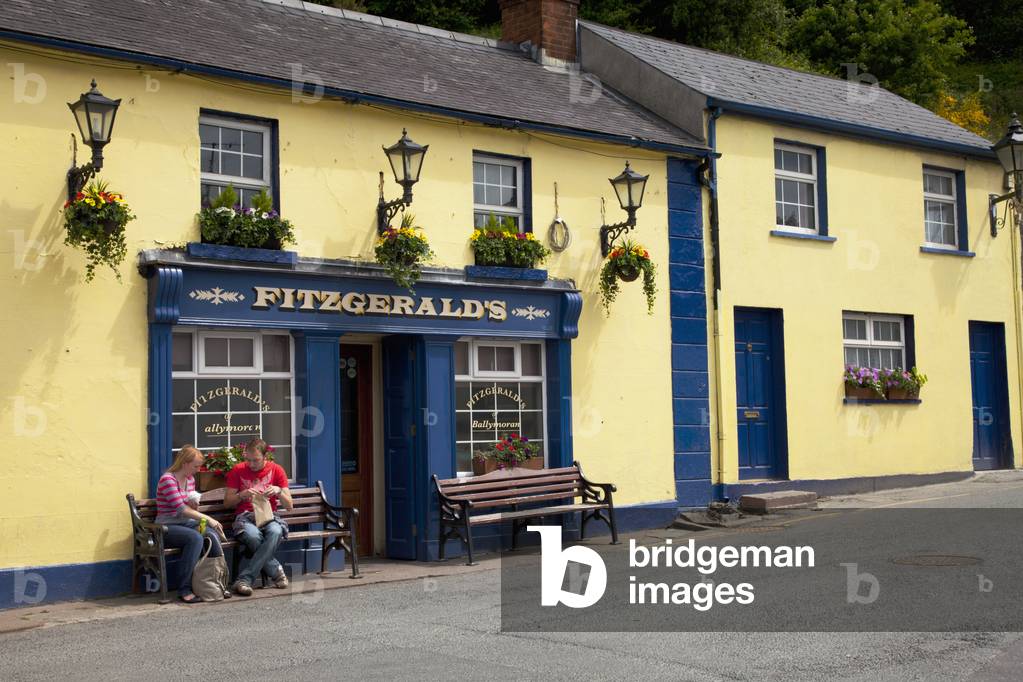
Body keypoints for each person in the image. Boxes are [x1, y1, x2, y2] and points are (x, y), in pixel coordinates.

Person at [155, 445, 227, 603]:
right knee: (194, 538)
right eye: (195, 466)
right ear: (184, 463)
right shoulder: (168, 479)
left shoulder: (190, 480)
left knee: (211, 535)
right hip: (166, 527)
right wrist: (208, 518)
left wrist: (194, 505)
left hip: (186, 523)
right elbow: (180, 509)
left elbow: (188, 508)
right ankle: (184, 589)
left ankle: (213, 584)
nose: (198, 469)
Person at [224, 439, 293, 595]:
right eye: (248, 460)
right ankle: (276, 571)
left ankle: (244, 580)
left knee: (276, 531)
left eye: (256, 460)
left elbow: (289, 506)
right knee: (253, 536)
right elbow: (227, 503)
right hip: (245, 516)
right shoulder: (238, 470)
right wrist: (242, 495)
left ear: (265, 456)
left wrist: (278, 491)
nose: (251, 464)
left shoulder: (277, 470)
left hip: (270, 516)